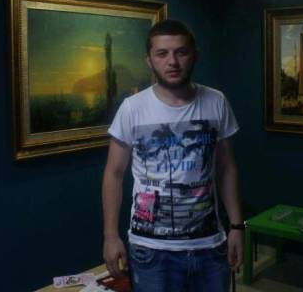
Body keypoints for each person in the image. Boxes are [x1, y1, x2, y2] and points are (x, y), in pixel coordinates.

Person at [101, 19, 243, 291]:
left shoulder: (217, 101)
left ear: (194, 56)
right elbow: (114, 173)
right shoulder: (132, 108)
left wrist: (237, 227)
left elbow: (227, 168)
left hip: (209, 245)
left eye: (181, 52)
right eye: (162, 53)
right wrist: (110, 235)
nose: (172, 62)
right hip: (151, 250)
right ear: (149, 60)